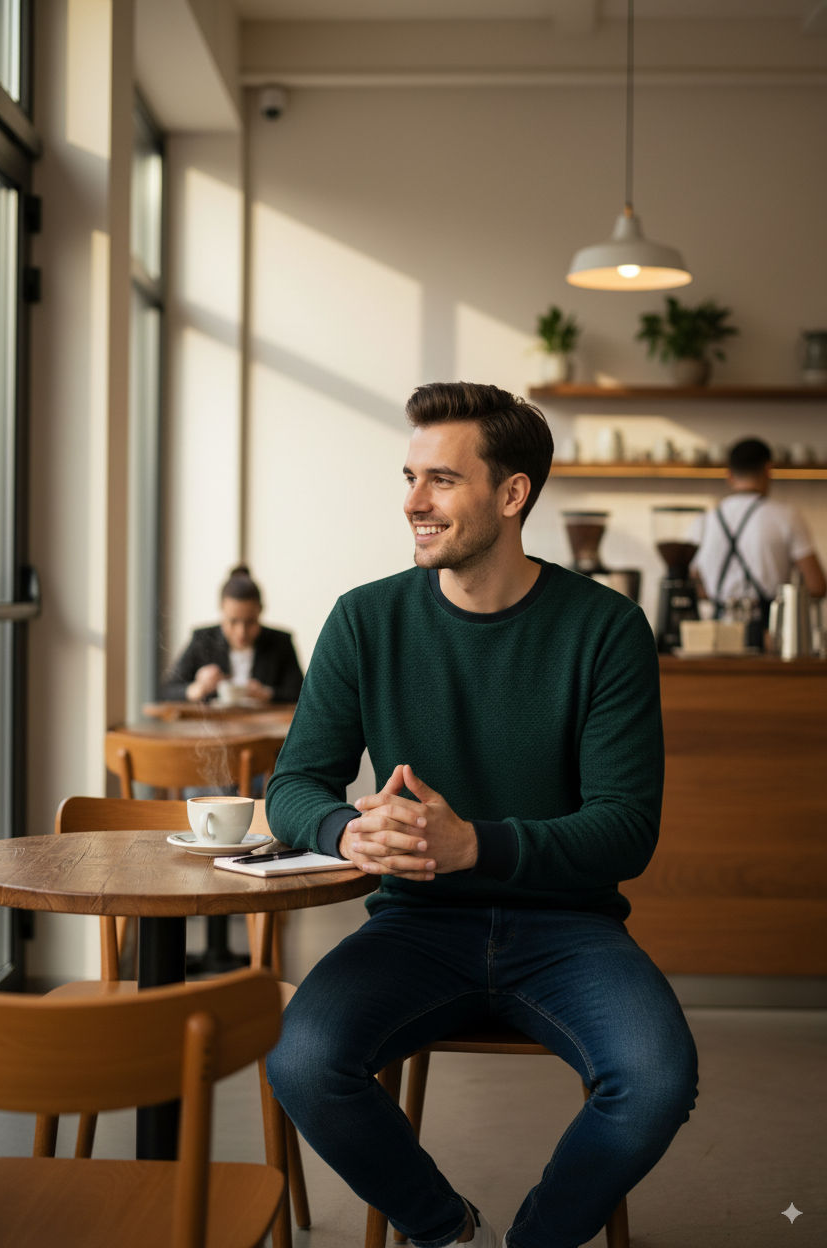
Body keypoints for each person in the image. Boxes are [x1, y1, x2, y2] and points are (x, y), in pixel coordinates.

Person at [265, 382, 698, 1248]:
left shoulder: (607, 629)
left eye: (440, 482)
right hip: (413, 929)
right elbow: (293, 786)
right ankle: (445, 1230)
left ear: (512, 494)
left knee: (655, 1080)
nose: (412, 504)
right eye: (410, 477)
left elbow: (626, 830)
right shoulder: (364, 620)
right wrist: (344, 831)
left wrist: (474, 845)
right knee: (304, 1062)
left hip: (569, 932)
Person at [691, 438, 826, 644]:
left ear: (729, 475)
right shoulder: (787, 517)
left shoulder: (703, 521)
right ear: (768, 469)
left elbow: (693, 584)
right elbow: (817, 586)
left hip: (717, 636)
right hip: (770, 636)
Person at [161, 565, 303, 704]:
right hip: (213, 726)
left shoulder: (280, 642)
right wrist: (196, 688)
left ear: (260, 611)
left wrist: (268, 694)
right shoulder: (203, 639)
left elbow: (300, 694)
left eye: (250, 622)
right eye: (233, 621)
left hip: (264, 726)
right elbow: (166, 691)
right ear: (222, 610)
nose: (241, 631)